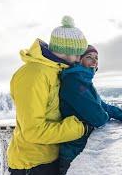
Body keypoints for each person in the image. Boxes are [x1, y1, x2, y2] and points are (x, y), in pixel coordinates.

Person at [7, 15, 94, 175]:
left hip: (47, 159)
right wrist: (80, 128)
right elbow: (33, 131)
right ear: (68, 51)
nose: (78, 59)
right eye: (77, 54)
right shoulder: (34, 75)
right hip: (31, 165)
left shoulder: (54, 71)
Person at [58, 45, 122, 175]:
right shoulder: (74, 81)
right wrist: (105, 115)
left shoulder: (83, 80)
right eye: (89, 57)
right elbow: (98, 118)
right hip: (73, 152)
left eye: (96, 58)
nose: (94, 62)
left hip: (80, 147)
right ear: (79, 60)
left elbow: (101, 105)